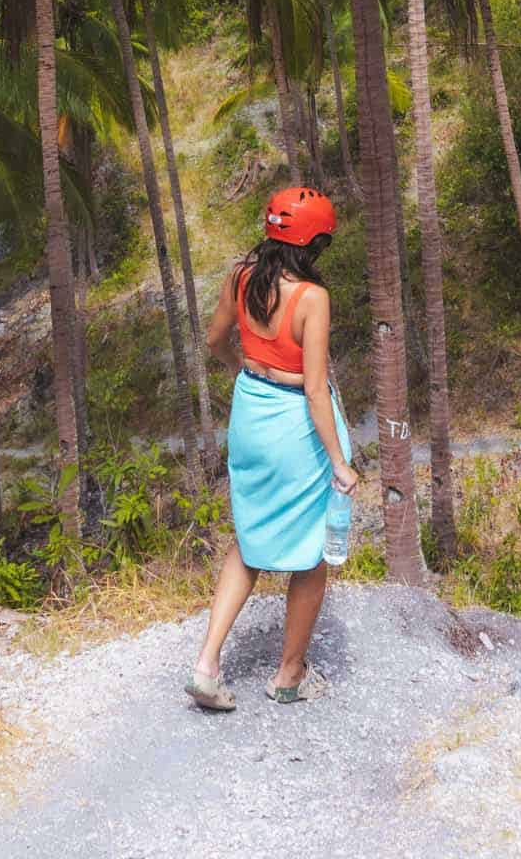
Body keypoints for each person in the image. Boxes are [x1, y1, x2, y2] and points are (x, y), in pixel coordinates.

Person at [186, 185, 359, 711]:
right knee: (310, 552)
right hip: (293, 427)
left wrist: (243, 374)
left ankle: (207, 666)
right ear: (313, 244)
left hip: (250, 413)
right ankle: (288, 675)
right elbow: (313, 389)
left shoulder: (240, 279)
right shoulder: (312, 298)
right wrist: (339, 462)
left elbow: (215, 341)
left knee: (249, 536)